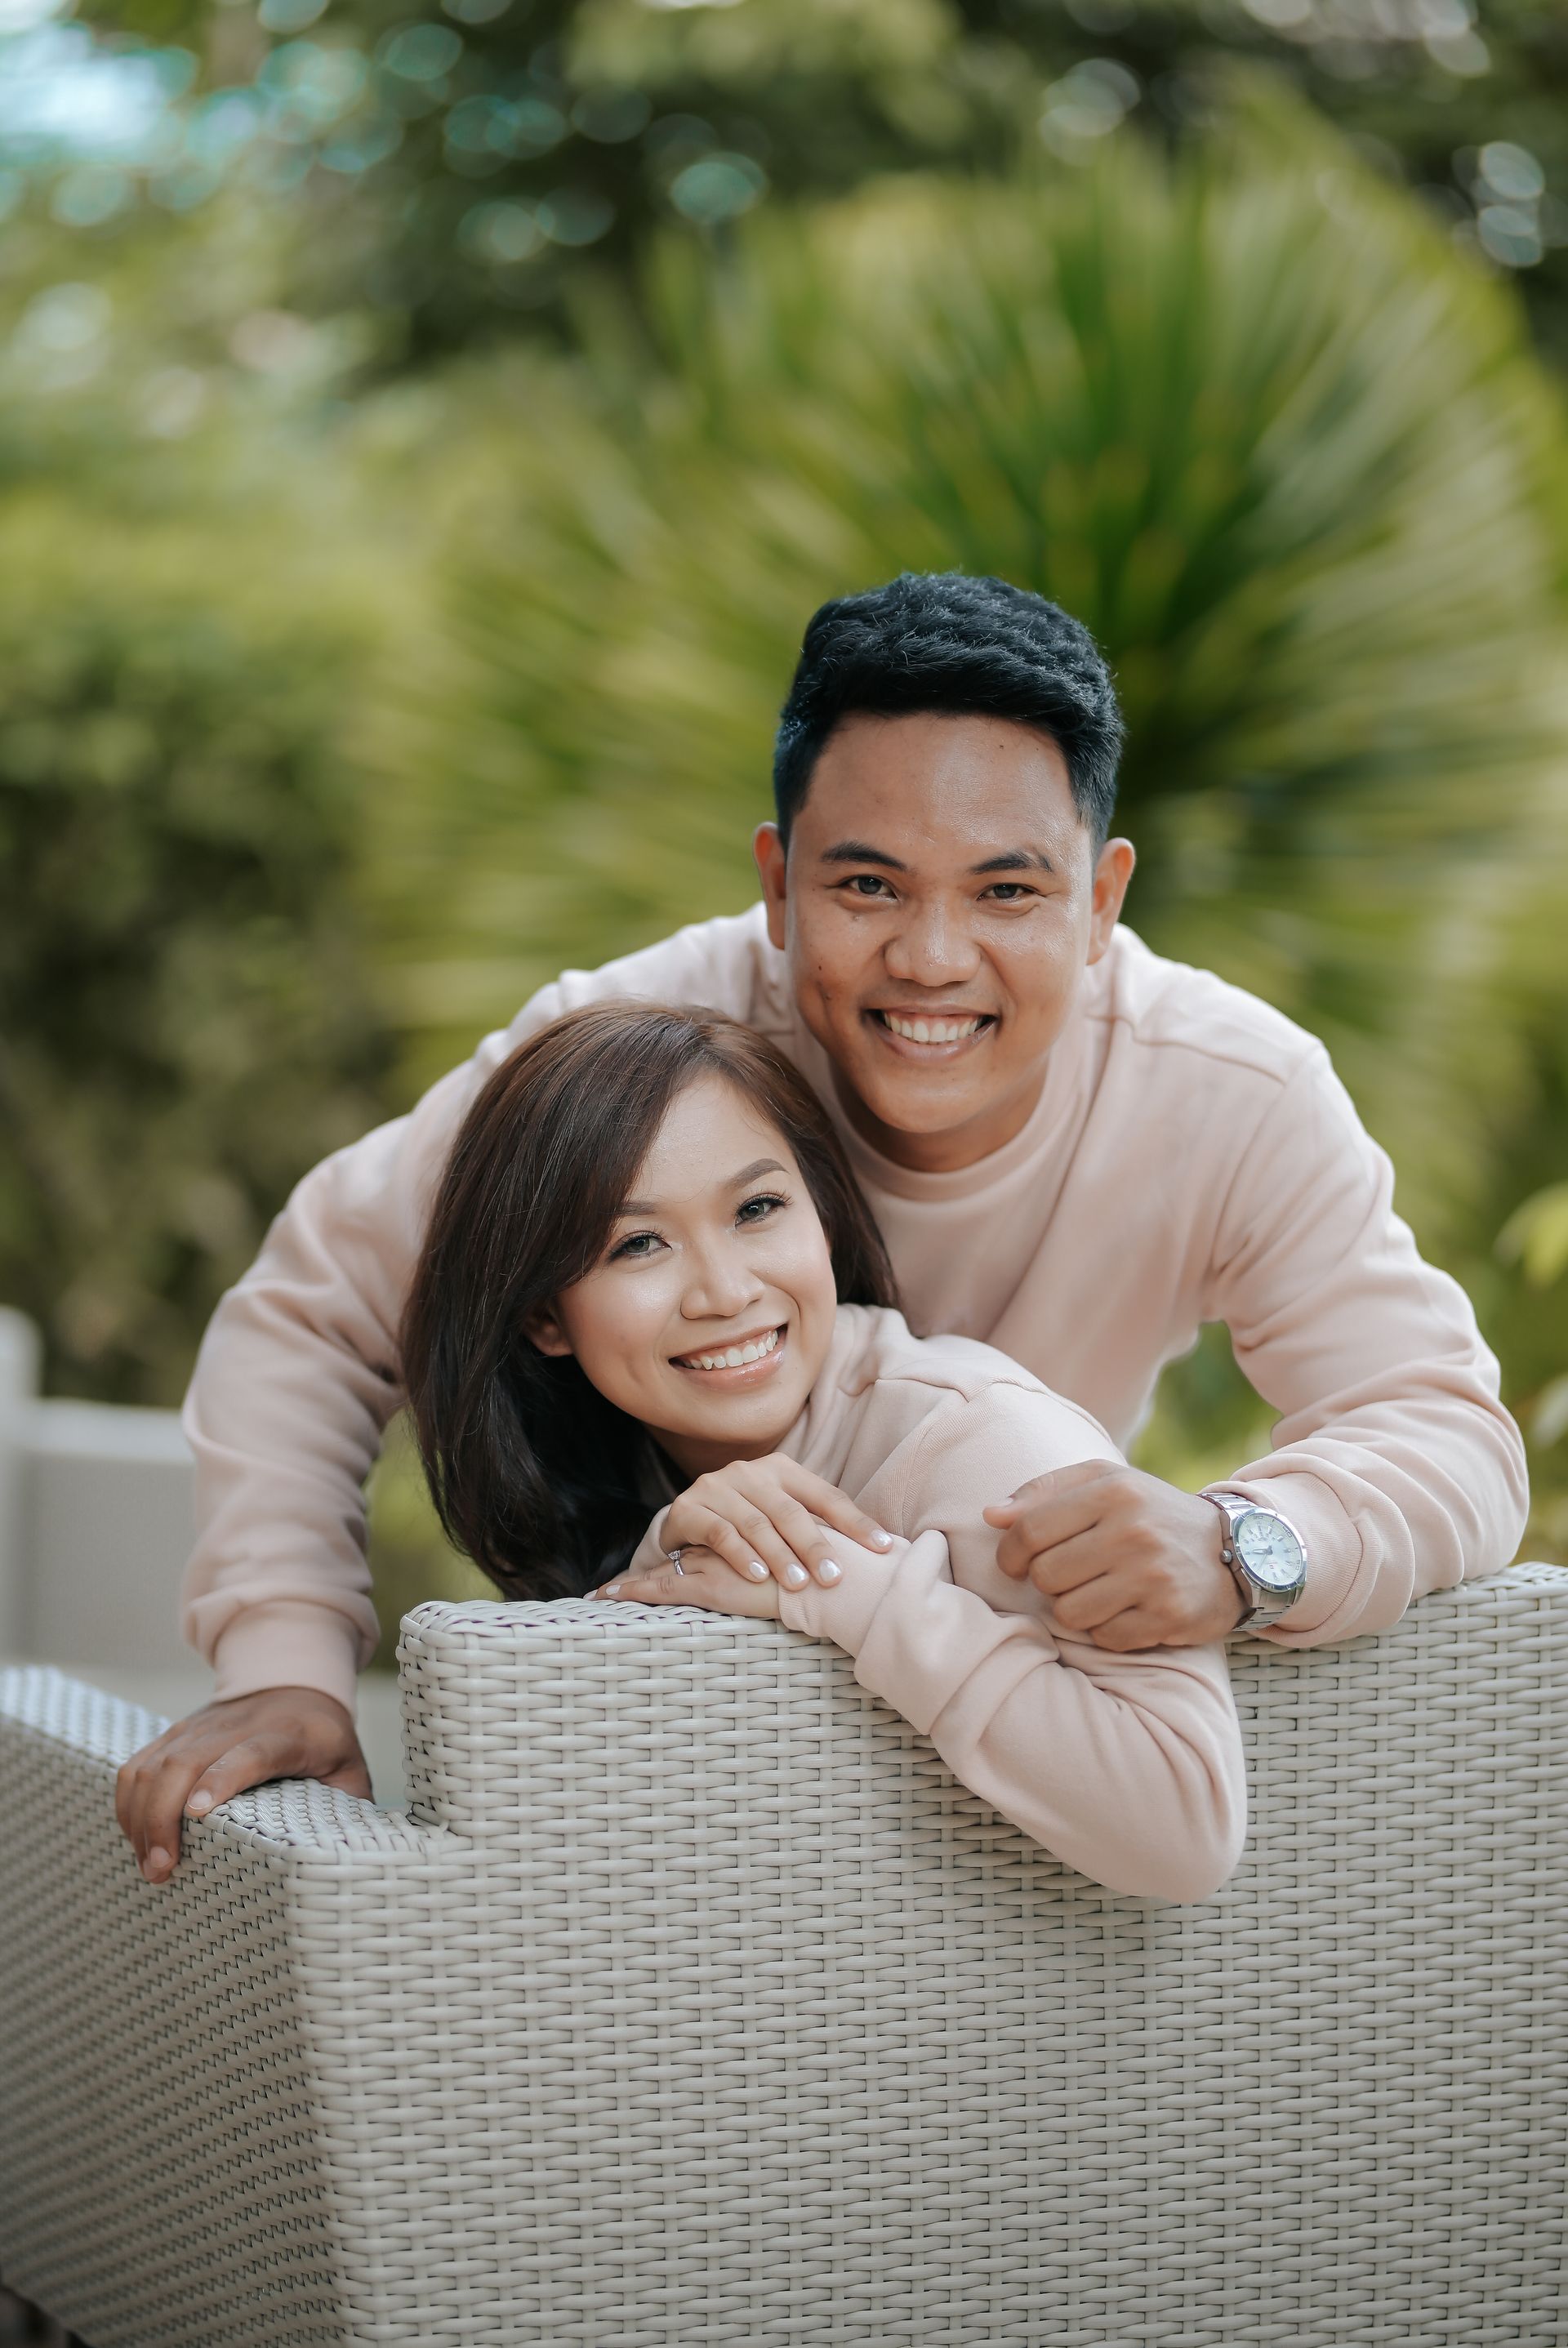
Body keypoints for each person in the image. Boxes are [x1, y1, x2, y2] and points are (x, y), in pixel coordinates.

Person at [116, 570, 1526, 1882]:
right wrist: (285, 1662)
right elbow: (314, 1307)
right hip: (697, 1723)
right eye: (867, 884)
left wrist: (1245, 1546)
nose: (932, 958)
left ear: (1101, 900)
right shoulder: (639, 1059)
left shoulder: (1231, 1093)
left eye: (1007, 889)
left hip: (1022, 1747)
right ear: (777, 884)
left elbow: (1444, 1425)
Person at [397, 1000, 1247, 1902]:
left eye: (757, 1208)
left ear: (825, 1220)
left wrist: (843, 1587)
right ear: (543, 1315)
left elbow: (1188, 1830)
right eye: (638, 1243)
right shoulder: (615, 1460)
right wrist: (662, 1567)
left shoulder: (984, 1440)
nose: (726, 1291)